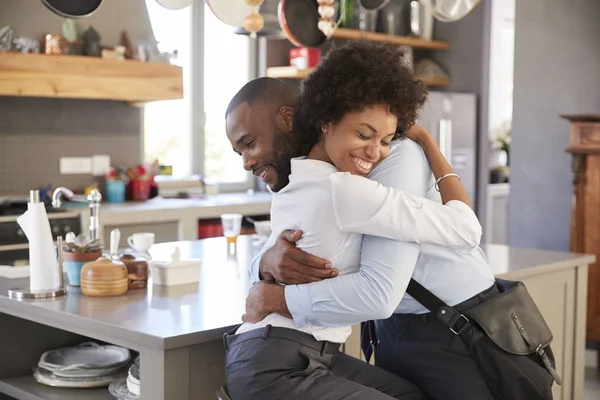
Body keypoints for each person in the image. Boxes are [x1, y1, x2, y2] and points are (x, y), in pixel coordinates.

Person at [223, 40, 488, 400]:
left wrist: (270, 291)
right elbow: (467, 228)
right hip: (276, 360)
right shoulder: (335, 188)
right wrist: (266, 268)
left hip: (299, 352)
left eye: (387, 139)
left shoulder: (303, 179)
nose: (377, 152)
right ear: (327, 122)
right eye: (364, 135)